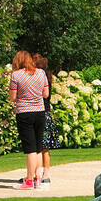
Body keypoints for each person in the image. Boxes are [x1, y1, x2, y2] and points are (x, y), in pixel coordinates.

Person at [9, 50, 50, 190]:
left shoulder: (16, 75)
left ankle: (29, 180)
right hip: (39, 112)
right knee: (38, 147)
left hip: (24, 112)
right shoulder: (41, 73)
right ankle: (38, 179)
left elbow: (13, 97)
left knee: (30, 149)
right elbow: (46, 94)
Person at [33, 53, 60, 187]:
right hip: (46, 113)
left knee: (39, 147)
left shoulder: (39, 78)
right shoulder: (47, 78)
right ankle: (44, 173)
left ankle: (39, 173)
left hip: (40, 113)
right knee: (44, 147)